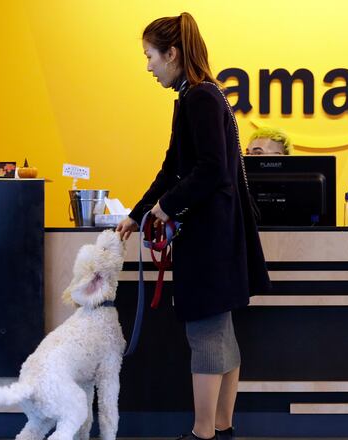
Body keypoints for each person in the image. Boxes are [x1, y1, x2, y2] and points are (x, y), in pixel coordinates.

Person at [115, 12, 270, 440]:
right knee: (220, 333)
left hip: (209, 240)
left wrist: (165, 206)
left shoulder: (199, 98)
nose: (148, 66)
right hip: (218, 237)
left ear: (172, 53)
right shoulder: (197, 96)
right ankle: (221, 428)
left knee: (205, 333)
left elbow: (211, 170)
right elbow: (172, 169)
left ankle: (202, 433)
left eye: (150, 56)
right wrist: (138, 211)